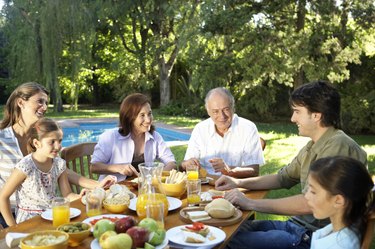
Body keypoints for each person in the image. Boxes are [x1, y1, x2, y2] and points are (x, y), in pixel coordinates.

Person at [215, 81, 368, 249]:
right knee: (226, 229)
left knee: (223, 240)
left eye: (297, 112)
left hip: (310, 237)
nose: (292, 118)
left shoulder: (338, 146)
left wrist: (250, 203)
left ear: (316, 115)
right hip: (297, 227)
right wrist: (238, 182)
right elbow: (283, 178)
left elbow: (309, 203)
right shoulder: (314, 144)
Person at [0, 82, 116, 228]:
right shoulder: (2, 140)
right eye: (39, 101)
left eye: (46, 102)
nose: (45, 107)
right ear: (21, 103)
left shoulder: (43, 139)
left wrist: (98, 186)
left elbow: (61, 170)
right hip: (9, 217)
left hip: (46, 215)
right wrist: (9, 231)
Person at [0, 118, 80, 226]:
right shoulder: (25, 166)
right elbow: (3, 197)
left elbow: (68, 195)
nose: (58, 146)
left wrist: (82, 196)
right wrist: (13, 228)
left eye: (59, 141)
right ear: (37, 143)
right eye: (52, 142)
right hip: (28, 223)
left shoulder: (59, 164)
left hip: (53, 217)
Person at [90, 93, 177, 183]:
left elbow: (172, 163)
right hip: (114, 191)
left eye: (149, 113)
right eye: (142, 115)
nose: (148, 120)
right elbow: (94, 167)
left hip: (144, 190)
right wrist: (117, 168)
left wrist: (157, 177)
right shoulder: (111, 137)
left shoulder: (155, 137)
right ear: (130, 117)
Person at [181, 87, 264, 178]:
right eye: (215, 111)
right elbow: (183, 166)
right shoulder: (200, 129)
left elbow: (254, 171)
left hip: (234, 186)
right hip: (204, 186)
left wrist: (229, 169)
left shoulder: (248, 128)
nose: (222, 116)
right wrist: (187, 164)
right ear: (208, 111)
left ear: (233, 108)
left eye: (226, 109)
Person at [306, 156, 374, 249]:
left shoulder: (339, 246)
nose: (306, 196)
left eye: (313, 192)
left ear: (338, 200)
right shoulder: (351, 226)